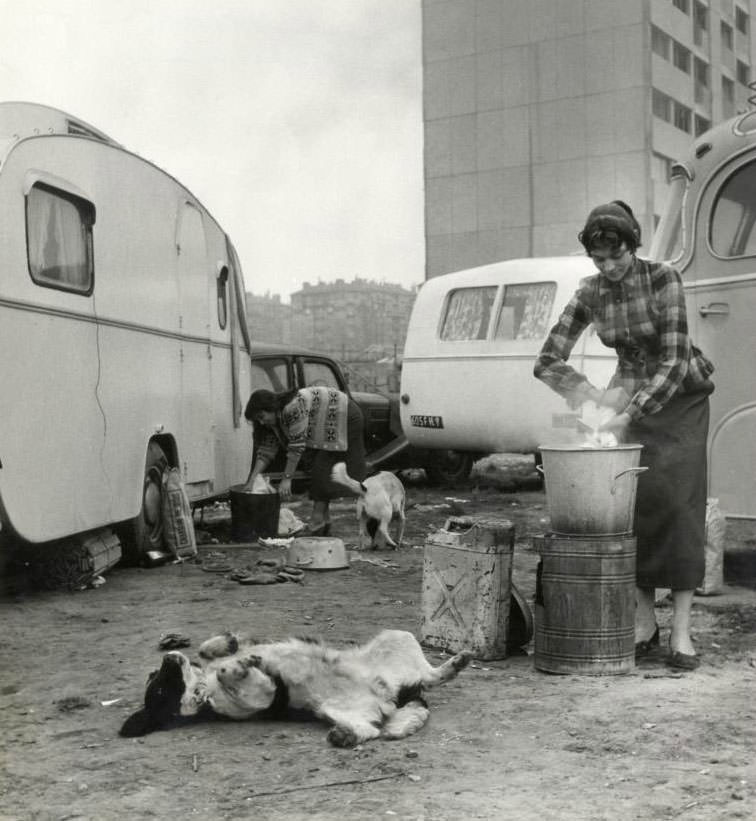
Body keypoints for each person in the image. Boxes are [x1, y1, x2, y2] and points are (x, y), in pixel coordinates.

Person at [534, 200, 715, 670]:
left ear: (633, 245)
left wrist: (627, 410)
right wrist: (593, 398)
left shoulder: (663, 278)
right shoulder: (589, 292)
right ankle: (643, 624)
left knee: (677, 507)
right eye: (600, 259)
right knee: (632, 508)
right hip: (627, 403)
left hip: (681, 401)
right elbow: (547, 361)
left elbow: (675, 360)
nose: (609, 267)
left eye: (617, 256)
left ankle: (680, 630)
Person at [243, 385, 367, 535]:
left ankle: (317, 521)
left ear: (271, 408)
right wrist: (252, 479)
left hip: (344, 414)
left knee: (322, 467)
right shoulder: (273, 421)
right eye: (258, 420)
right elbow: (266, 452)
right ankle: (323, 521)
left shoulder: (292, 408)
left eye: (262, 417)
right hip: (327, 419)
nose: (262, 422)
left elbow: (296, 446)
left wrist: (287, 479)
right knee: (317, 466)